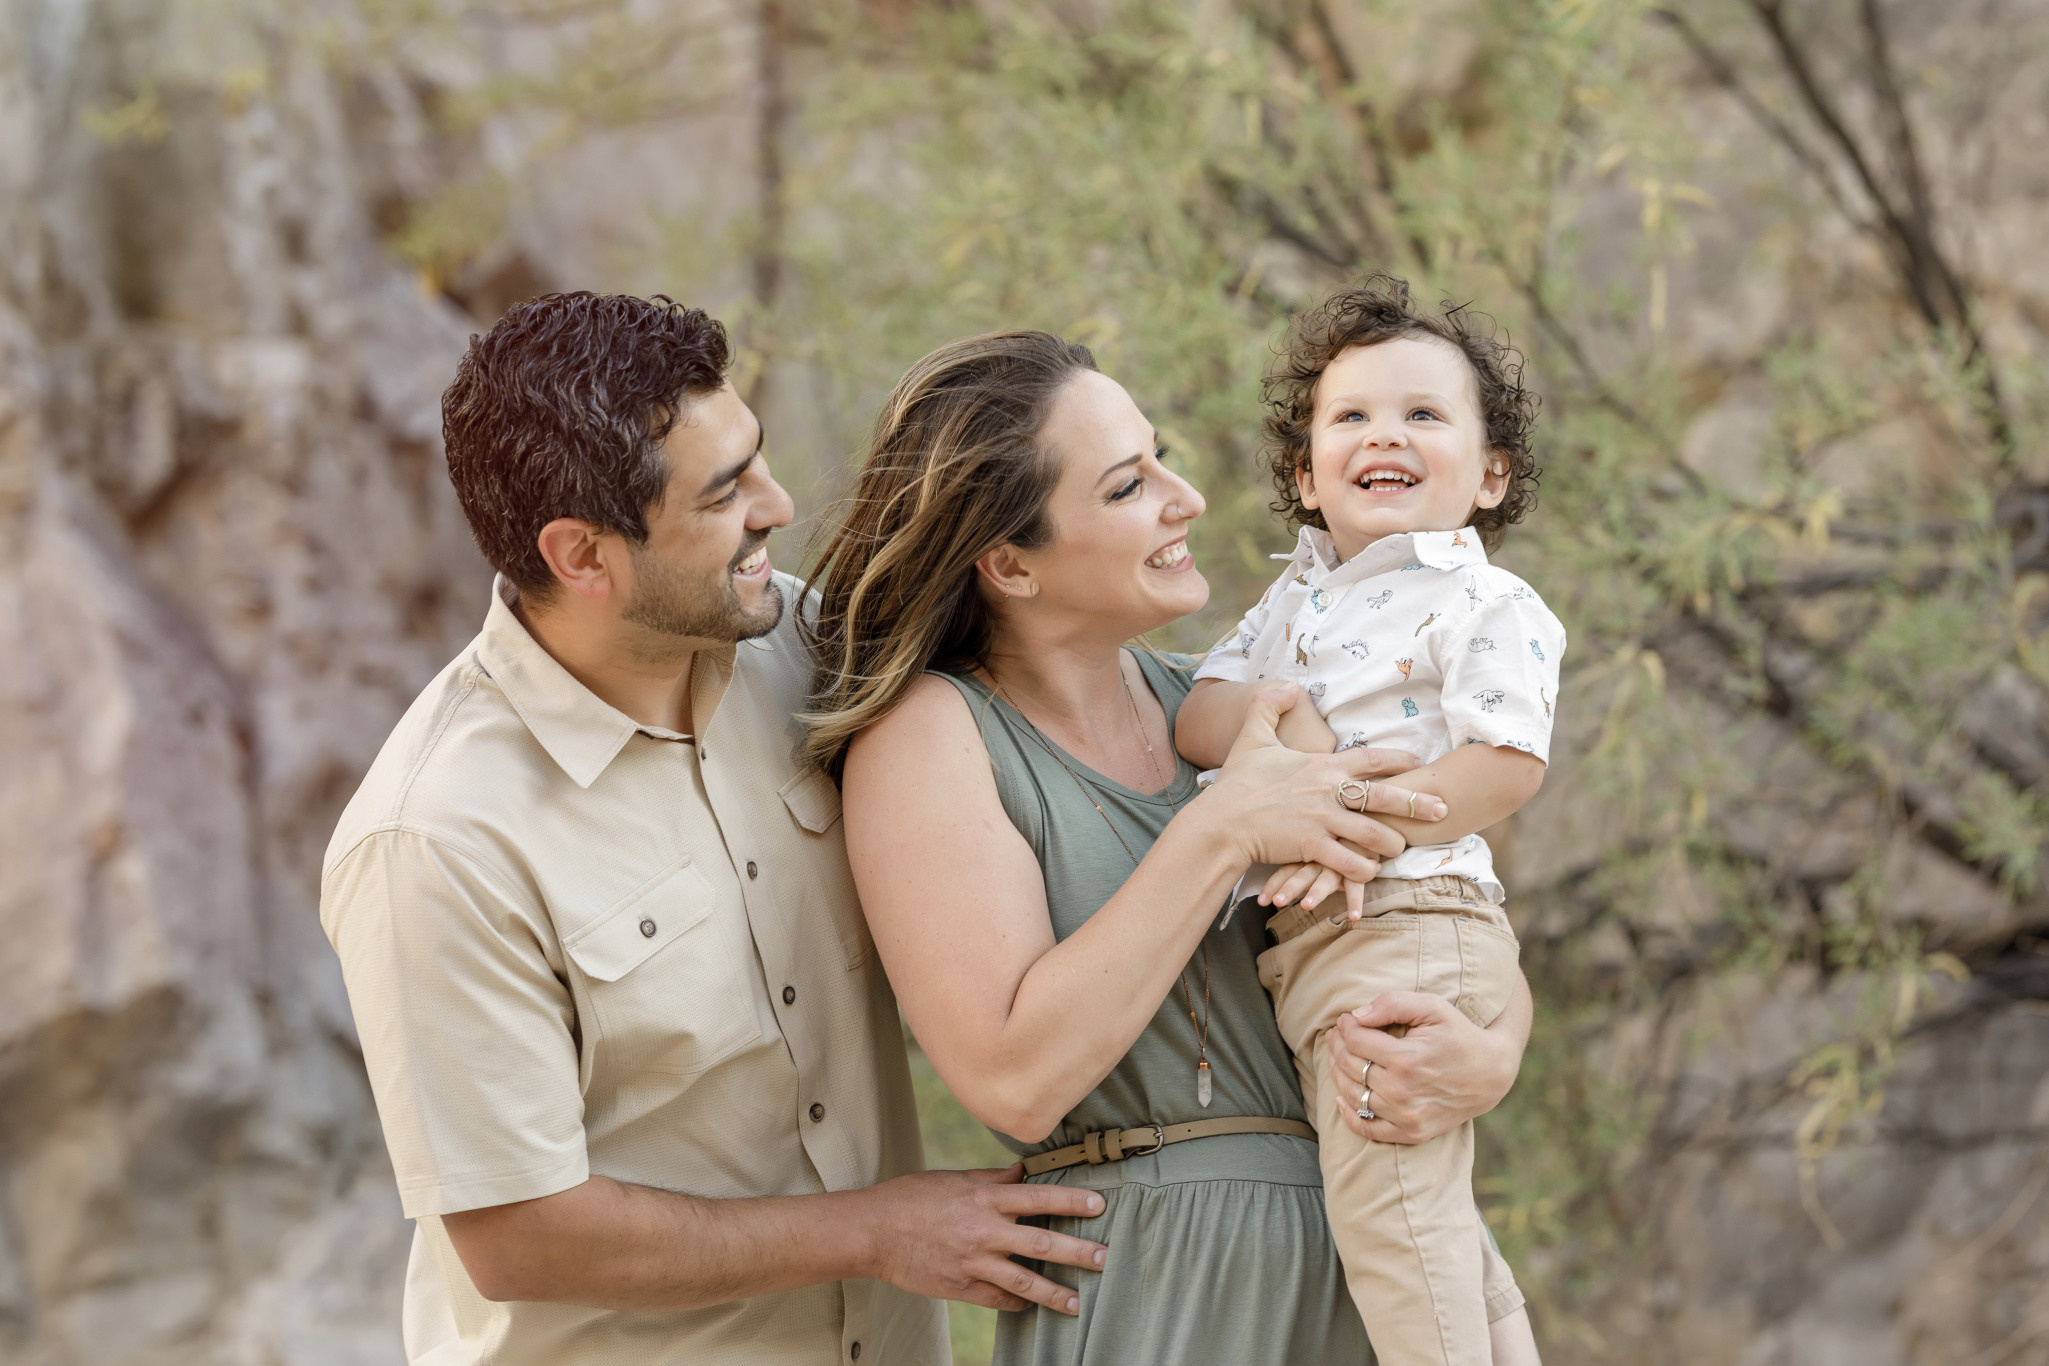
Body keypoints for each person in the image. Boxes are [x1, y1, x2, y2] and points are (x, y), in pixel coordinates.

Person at [319, 293, 1111, 1366]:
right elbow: (519, 1233)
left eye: (759, 460)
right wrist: (877, 1232)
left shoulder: (817, 650)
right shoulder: (437, 842)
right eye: (727, 492)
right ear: (582, 556)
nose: (779, 505)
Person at [804, 329, 1542, 1365]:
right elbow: (1014, 1076)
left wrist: (1491, 1054)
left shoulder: (1224, 700)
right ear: (1010, 561)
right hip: (1160, 1289)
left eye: (1160, 458)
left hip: (1366, 1252)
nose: (1184, 496)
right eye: (1126, 486)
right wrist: (1222, 826)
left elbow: (1440, 903)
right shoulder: (931, 734)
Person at [1176, 277, 1564, 1366]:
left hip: (1406, 917)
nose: (1384, 434)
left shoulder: (1485, 602)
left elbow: (1506, 765)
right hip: (1330, 938)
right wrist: (1295, 751)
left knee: (1394, 1222)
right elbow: (1202, 715)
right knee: (1431, 1215)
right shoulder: (1290, 603)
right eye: (1350, 417)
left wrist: (1349, 823)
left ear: (1489, 475)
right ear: (1306, 474)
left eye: (1423, 415)